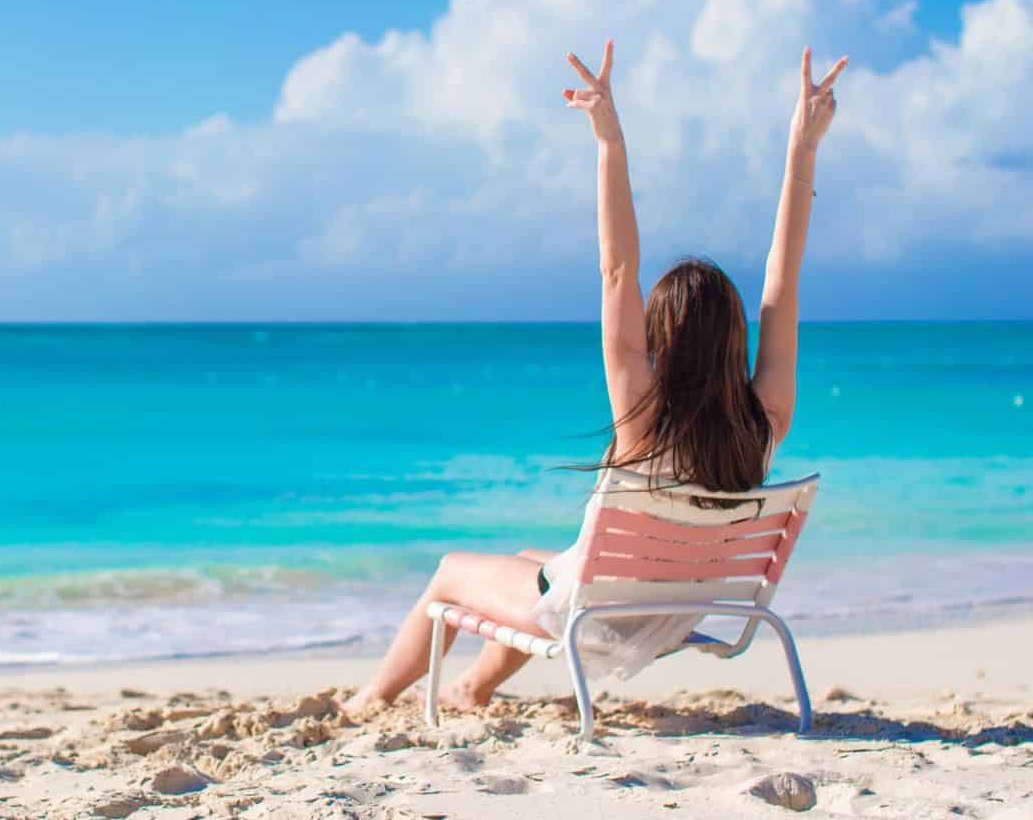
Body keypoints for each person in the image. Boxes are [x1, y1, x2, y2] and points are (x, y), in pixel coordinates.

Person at [343, 39, 846, 715]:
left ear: (659, 336)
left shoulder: (641, 411)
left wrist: (608, 140)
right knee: (530, 558)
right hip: (671, 619)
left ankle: (368, 699)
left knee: (447, 578)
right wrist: (802, 150)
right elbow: (781, 291)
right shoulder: (764, 422)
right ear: (735, 340)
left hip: (595, 619)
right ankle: (474, 689)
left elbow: (617, 272)